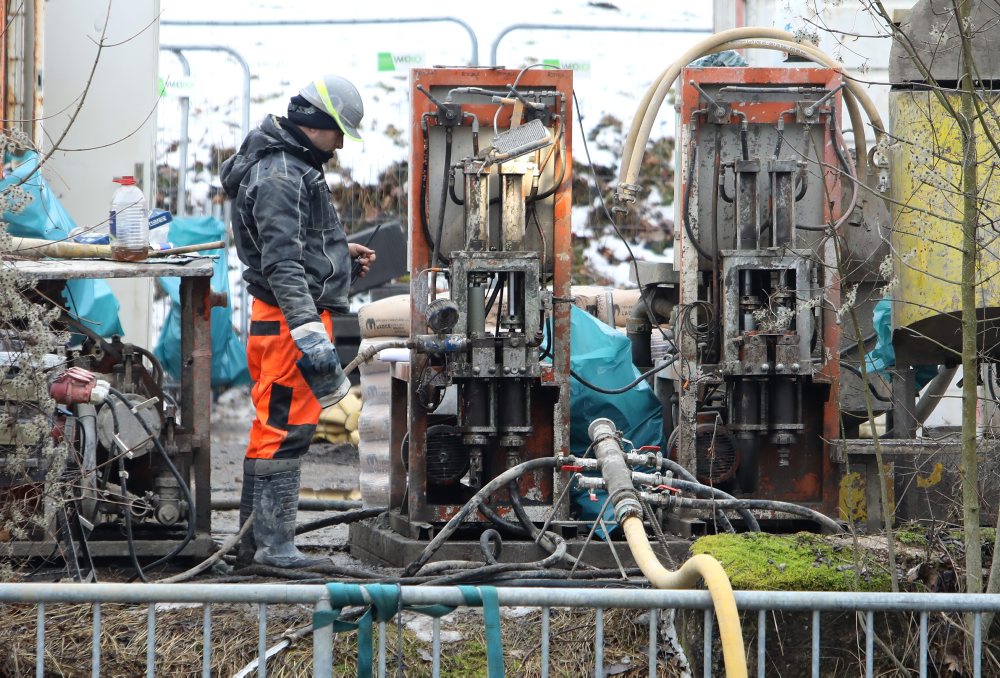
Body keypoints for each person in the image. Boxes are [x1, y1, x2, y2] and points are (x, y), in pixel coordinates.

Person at [220, 75, 375, 568]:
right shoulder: (284, 174)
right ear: (317, 124)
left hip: (285, 317)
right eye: (340, 131)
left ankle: (254, 547)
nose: (342, 143)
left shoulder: (287, 166)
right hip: (290, 321)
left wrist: (335, 253)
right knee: (284, 431)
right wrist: (310, 335)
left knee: (276, 427)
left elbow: (290, 249)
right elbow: (282, 264)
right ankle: (274, 548)